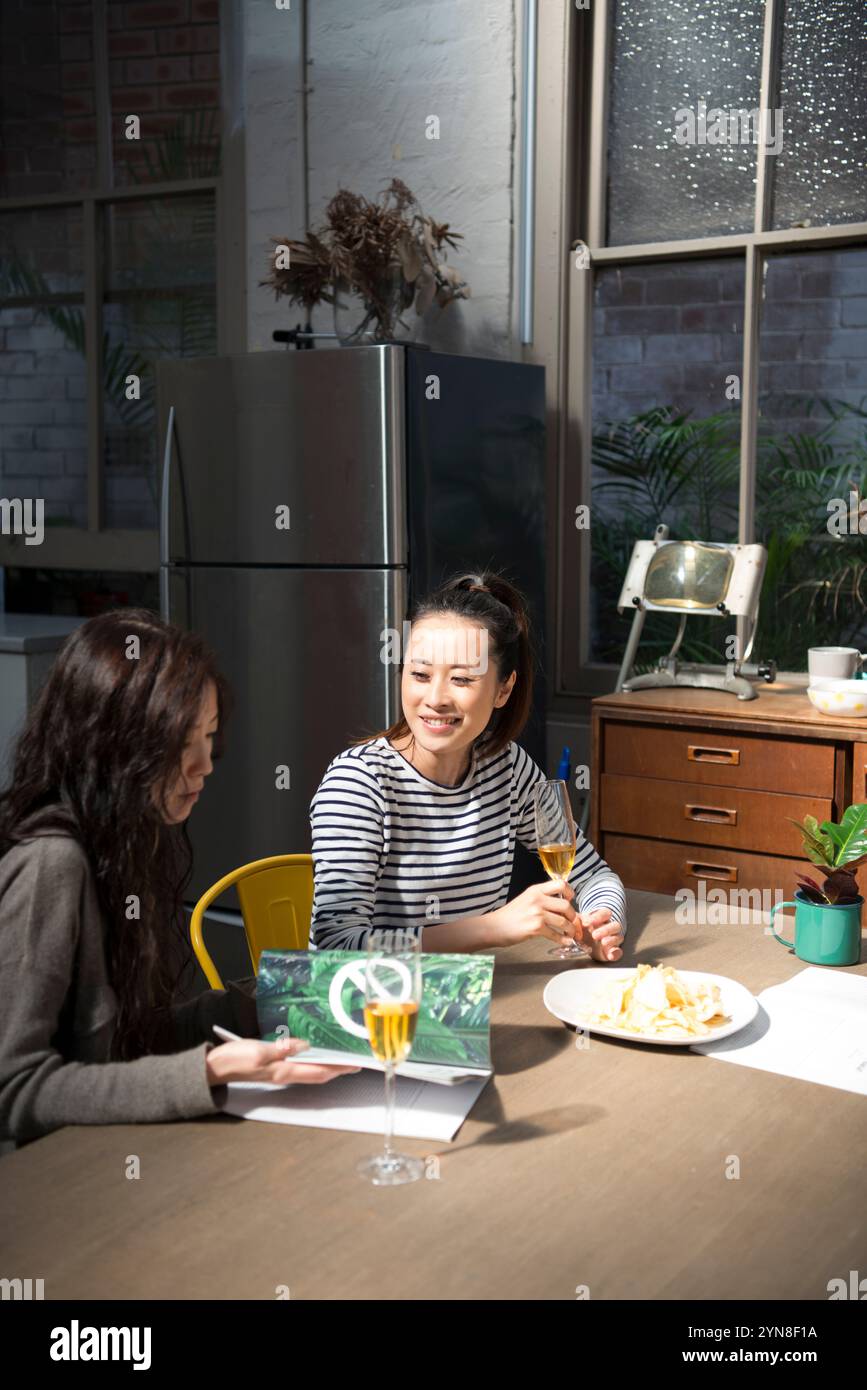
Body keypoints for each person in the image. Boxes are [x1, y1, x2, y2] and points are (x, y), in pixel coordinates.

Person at [0, 610, 357, 1146]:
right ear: (112, 745)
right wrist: (209, 1071)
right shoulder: (51, 863)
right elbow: (15, 1092)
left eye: (209, 737)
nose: (205, 764)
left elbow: (131, 1040)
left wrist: (292, 995)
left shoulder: (125, 838)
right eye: (181, 742)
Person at [310, 572, 626, 956]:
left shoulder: (507, 768)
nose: (436, 698)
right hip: (378, 1009)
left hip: (473, 999)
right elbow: (336, 949)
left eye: (460, 679)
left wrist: (601, 922)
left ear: (504, 689)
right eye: (420, 675)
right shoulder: (359, 784)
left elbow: (593, 875)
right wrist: (495, 927)